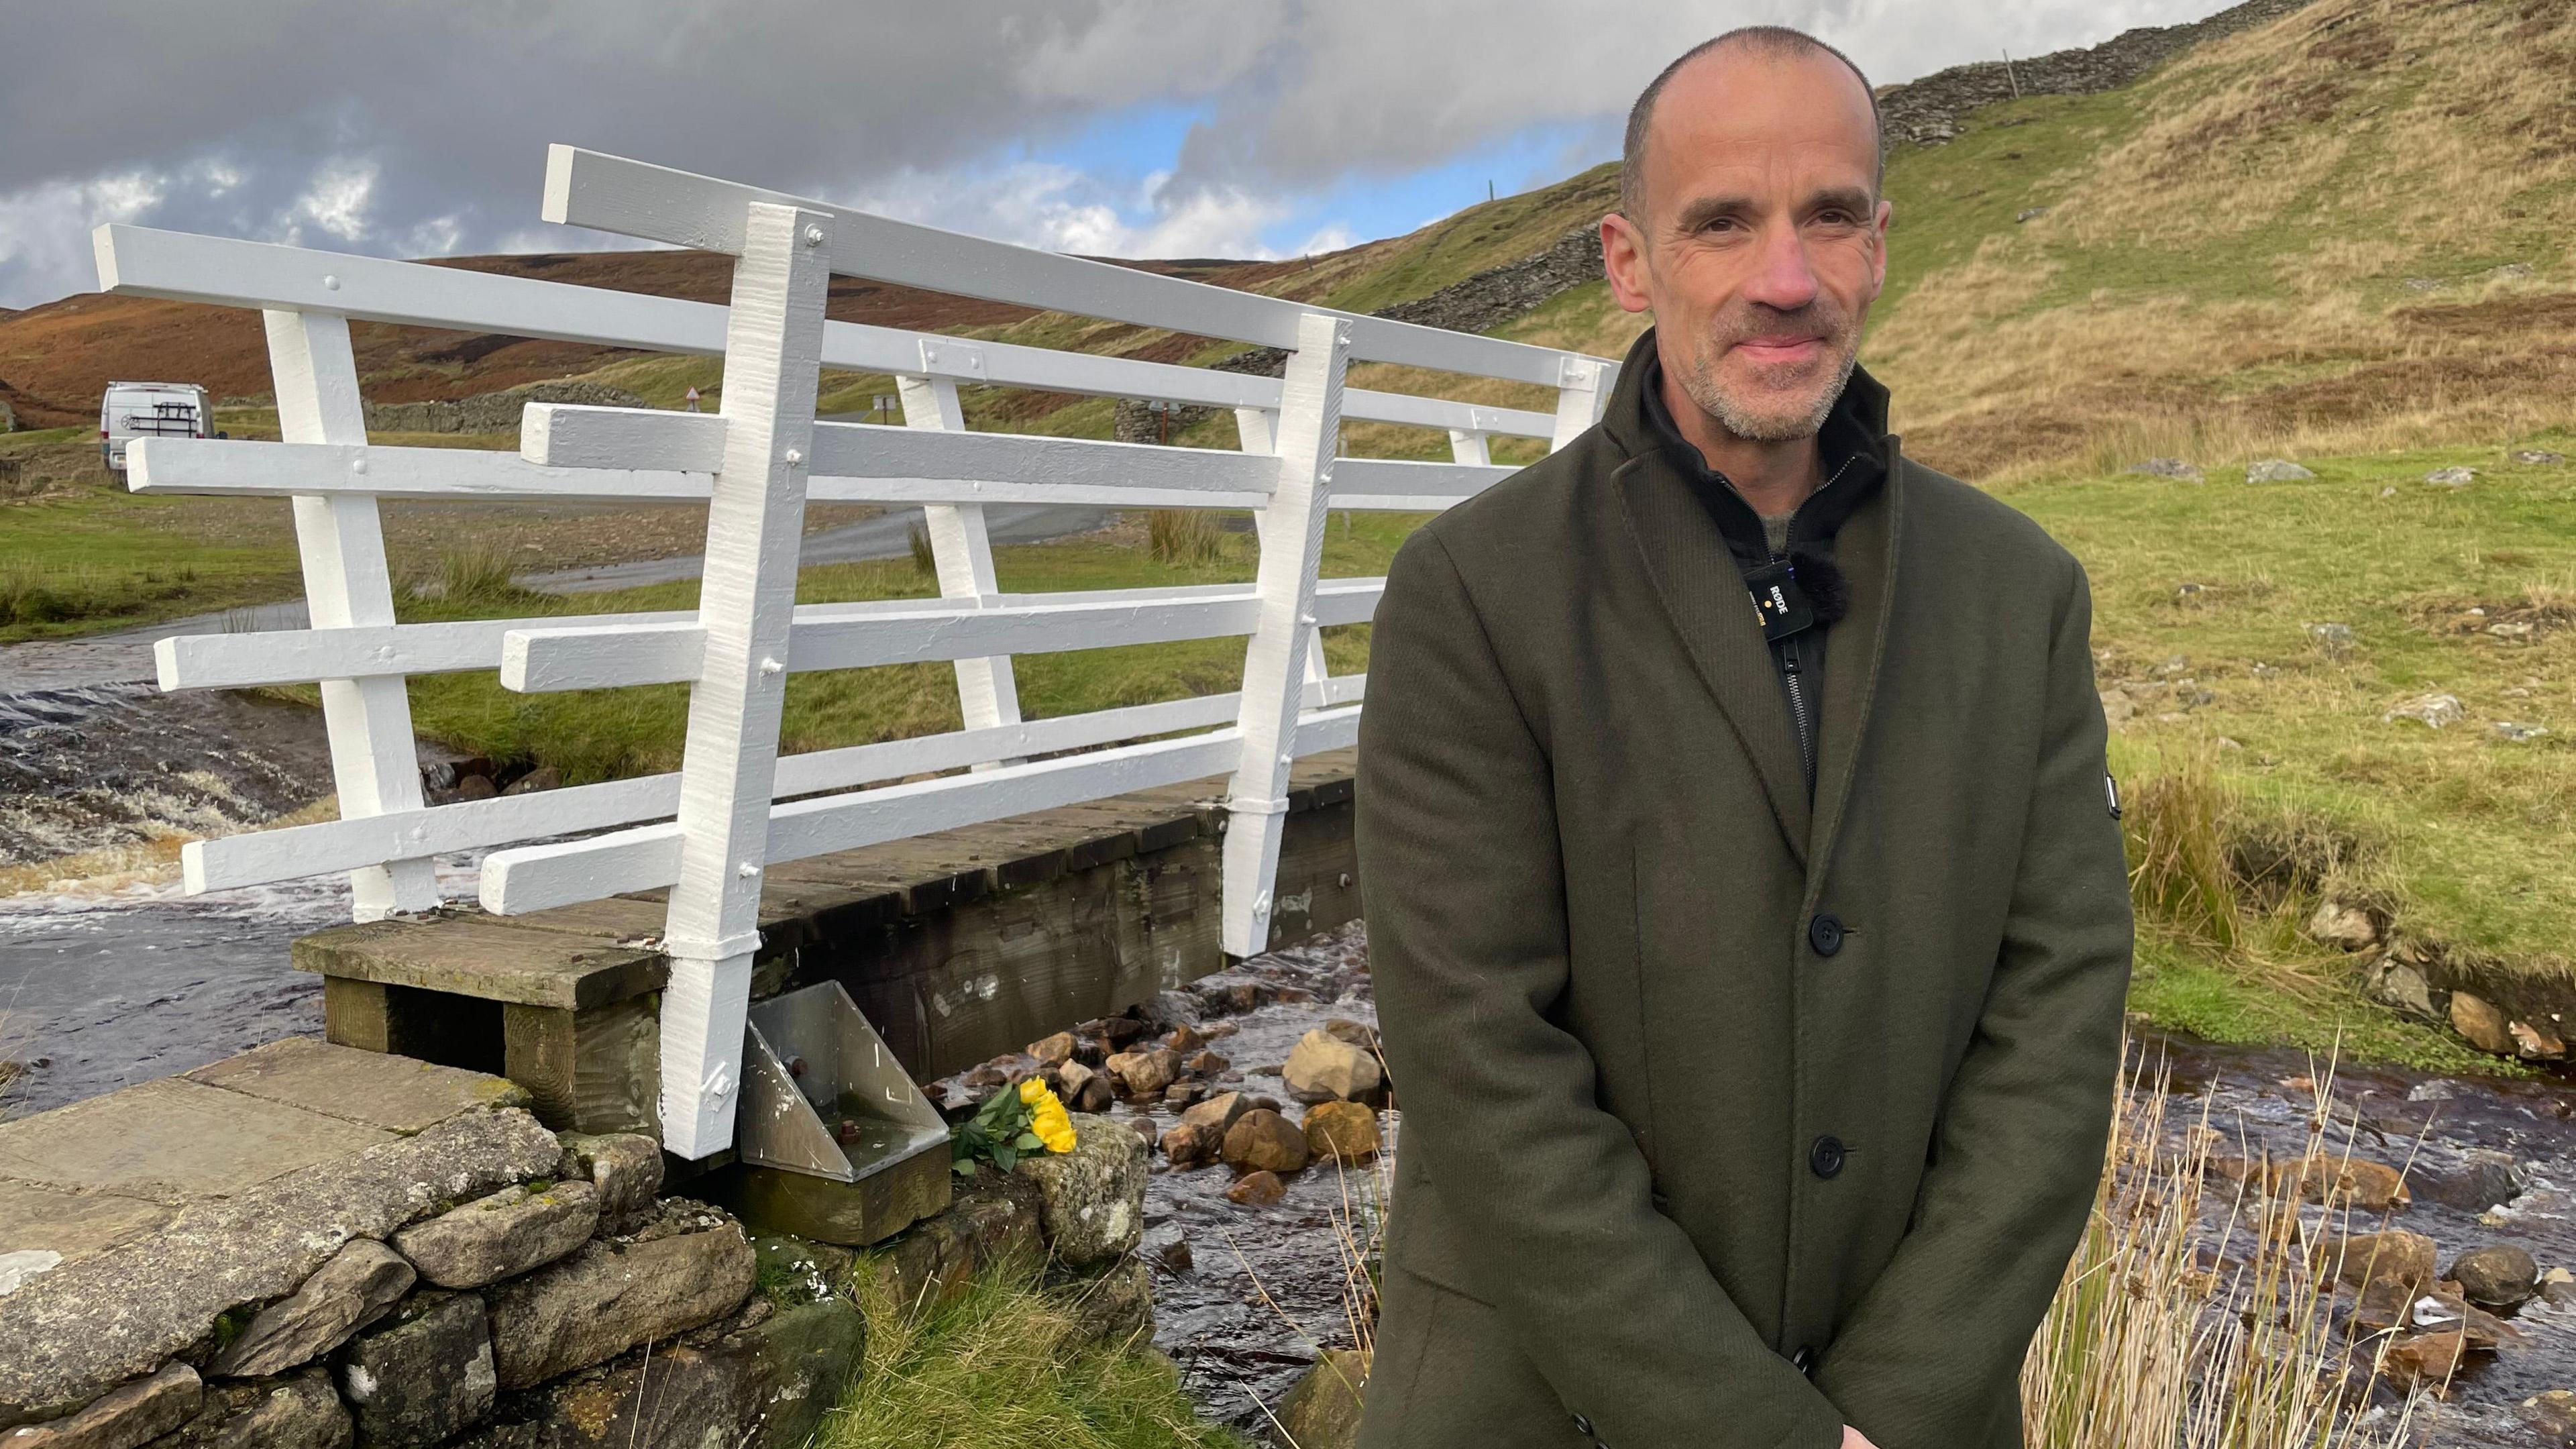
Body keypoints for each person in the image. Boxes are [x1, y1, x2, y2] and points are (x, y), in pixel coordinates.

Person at [1351, 25, 2135, 1449]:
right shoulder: (1472, 595)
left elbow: (2058, 1024)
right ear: (1630, 261)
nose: (1788, 279)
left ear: (1881, 246)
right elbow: (1480, 1062)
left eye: (1829, 216)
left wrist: (1888, 1408)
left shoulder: (2022, 597)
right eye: (1723, 221)